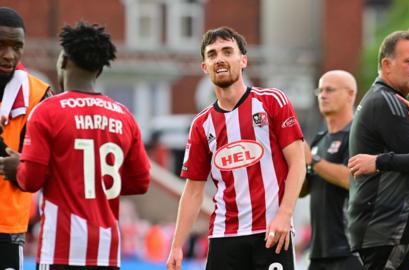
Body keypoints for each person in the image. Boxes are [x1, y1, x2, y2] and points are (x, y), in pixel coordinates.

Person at [166, 26, 305, 270]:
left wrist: (285, 214)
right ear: (204, 67)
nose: (219, 59)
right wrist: (177, 245)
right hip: (224, 236)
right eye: (212, 54)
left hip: (271, 232)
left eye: (227, 51)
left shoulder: (272, 101)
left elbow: (297, 163)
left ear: (243, 60)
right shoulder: (201, 124)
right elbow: (193, 191)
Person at [15, 22, 151, 269]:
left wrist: (19, 166)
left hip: (60, 250)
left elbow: (30, 180)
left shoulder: (47, 111)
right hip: (107, 252)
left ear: (64, 60)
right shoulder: (124, 116)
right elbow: (140, 182)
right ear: (99, 70)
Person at [347, 29, 409, 270]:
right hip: (391, 233)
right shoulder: (388, 102)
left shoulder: (384, 98)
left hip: (389, 233)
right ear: (386, 64)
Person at [0, 7, 52, 270]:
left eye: (16, 46)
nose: (8, 55)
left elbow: (60, 160)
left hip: (8, 229)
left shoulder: (40, 95)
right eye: (1, 45)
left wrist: (25, 167)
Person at [300, 70, 362, 270]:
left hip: (348, 250)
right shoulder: (319, 138)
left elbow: (350, 179)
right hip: (318, 252)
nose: (323, 95)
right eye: (320, 90)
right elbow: (303, 191)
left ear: (350, 94)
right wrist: (297, 165)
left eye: (330, 90)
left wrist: (313, 160)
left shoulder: (358, 134)